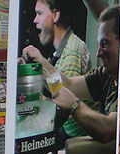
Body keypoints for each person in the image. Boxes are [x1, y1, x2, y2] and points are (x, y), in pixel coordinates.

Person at [23, 4, 120, 143]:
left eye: (104, 44)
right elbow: (68, 85)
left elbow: (107, 130)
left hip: (74, 136)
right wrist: (40, 65)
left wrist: (74, 105)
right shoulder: (106, 75)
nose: (98, 53)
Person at [26, 0, 93, 143]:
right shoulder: (61, 50)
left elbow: (63, 98)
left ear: (55, 15)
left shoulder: (71, 51)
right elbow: (57, 84)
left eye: (39, 13)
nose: (34, 20)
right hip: (66, 130)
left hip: (72, 135)